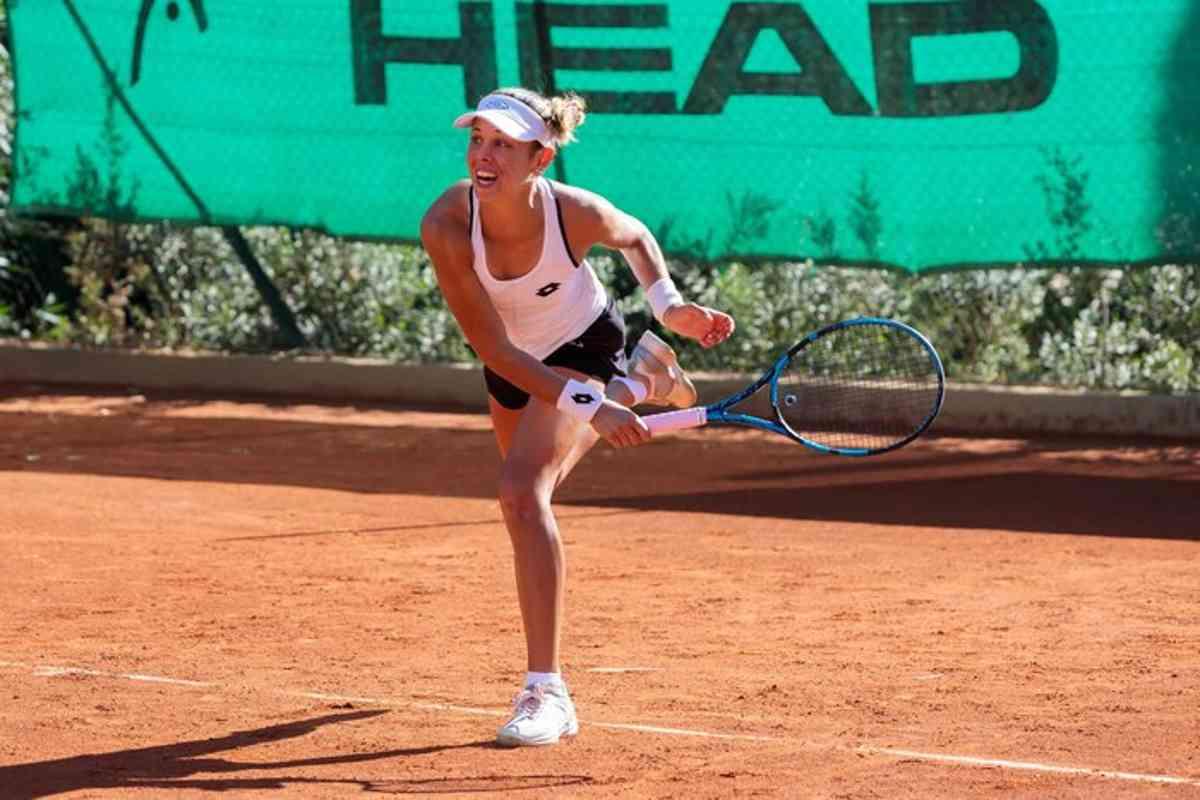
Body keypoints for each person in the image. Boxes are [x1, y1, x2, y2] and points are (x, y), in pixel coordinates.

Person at [419, 87, 735, 747]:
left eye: (504, 144)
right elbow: (495, 348)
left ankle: (547, 693)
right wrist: (595, 408)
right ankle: (647, 377)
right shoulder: (446, 223)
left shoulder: (575, 213)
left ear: (540, 158)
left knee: (520, 493)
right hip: (512, 363)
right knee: (537, 492)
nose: (485, 154)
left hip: (583, 343)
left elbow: (637, 236)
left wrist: (670, 305)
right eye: (478, 139)